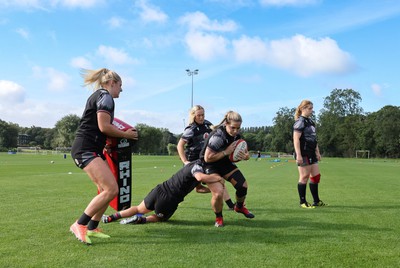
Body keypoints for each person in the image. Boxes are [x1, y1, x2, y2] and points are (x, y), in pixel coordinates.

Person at [70, 68, 139, 245]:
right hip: (86, 149)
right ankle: (80, 224)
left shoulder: (100, 96)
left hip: (91, 148)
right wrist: (126, 135)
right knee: (112, 190)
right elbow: (103, 126)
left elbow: (99, 127)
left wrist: (107, 144)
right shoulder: (105, 96)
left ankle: (92, 227)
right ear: (112, 83)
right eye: (120, 86)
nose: (121, 90)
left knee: (104, 189)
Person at [102, 160, 226, 227]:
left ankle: (111, 217)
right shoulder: (198, 168)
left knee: (138, 208)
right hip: (170, 199)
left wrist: (212, 190)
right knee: (160, 218)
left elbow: (198, 188)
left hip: (160, 189)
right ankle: (141, 220)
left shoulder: (193, 165)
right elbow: (200, 177)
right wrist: (218, 179)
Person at [199, 110, 255, 224]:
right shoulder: (218, 136)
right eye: (233, 128)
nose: (236, 131)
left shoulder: (236, 136)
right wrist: (226, 152)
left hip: (224, 163)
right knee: (218, 193)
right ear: (226, 124)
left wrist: (246, 156)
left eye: (238, 128)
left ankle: (239, 207)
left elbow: (239, 153)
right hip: (209, 165)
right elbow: (207, 158)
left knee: (242, 186)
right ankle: (219, 218)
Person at [177, 105, 236, 210]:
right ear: (193, 116)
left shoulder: (208, 124)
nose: (201, 117)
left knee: (219, 181)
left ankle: (231, 205)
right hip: (193, 163)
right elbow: (180, 145)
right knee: (192, 188)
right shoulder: (191, 129)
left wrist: (227, 120)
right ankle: (174, 200)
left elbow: (218, 129)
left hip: (205, 160)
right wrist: (185, 161)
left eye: (203, 115)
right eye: (198, 115)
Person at [293, 99, 327, 209]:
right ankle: (303, 202)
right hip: (303, 153)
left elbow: (314, 139)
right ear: (303, 109)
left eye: (312, 108)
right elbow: (296, 139)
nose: (312, 110)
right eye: (310, 108)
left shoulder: (311, 122)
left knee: (316, 177)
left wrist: (317, 152)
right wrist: (298, 155)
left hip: (312, 153)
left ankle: (316, 201)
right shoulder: (300, 122)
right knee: (304, 177)